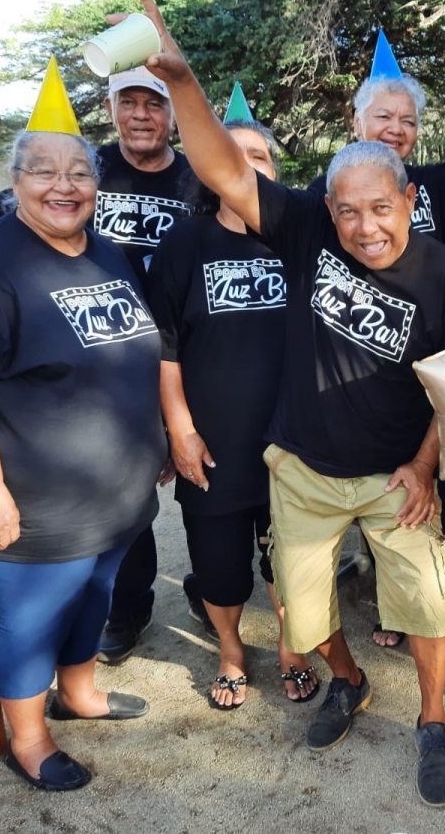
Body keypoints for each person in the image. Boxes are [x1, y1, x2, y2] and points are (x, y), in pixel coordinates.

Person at [131, 0, 445, 807]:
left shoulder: (439, 272)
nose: (364, 228)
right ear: (327, 209)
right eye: (349, 210)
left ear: (406, 205)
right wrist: (183, 82)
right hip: (303, 471)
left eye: (381, 210)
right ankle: (347, 682)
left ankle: (433, 719)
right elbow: (221, 165)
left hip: (398, 474)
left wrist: (426, 466)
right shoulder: (303, 228)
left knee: (430, 608)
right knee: (306, 610)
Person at [0, 67, 194, 666]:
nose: (140, 114)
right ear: (112, 110)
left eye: (153, 103)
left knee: (128, 512)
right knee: (51, 578)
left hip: (148, 360)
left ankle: (127, 612)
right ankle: (116, 626)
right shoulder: (77, 166)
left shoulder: (191, 178)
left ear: (171, 114)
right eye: (127, 102)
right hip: (58, 365)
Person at [0, 122, 167, 790]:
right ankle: (29, 738)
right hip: (36, 502)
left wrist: (156, 439)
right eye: (44, 171)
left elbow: (136, 354)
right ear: (15, 181)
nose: (64, 185)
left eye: (79, 173)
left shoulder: (106, 252)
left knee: (93, 601)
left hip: (115, 492)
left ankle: (78, 694)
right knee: (29, 620)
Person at [303, 13, 445, 652]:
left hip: (430, 356)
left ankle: (433, 606)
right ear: (357, 125)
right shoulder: (329, 191)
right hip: (359, 356)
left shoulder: (438, 186)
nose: (396, 129)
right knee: (376, 490)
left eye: (409, 121)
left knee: (434, 487)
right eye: (383, 118)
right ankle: (391, 601)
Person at [147, 118, 317, 708]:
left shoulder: (299, 242)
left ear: (273, 173)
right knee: (219, 568)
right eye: (233, 155)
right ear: (210, 169)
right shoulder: (182, 246)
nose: (246, 166)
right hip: (213, 444)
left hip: (290, 446)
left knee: (289, 561)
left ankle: (293, 647)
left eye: (259, 157)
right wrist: (180, 432)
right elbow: (166, 351)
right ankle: (230, 649)